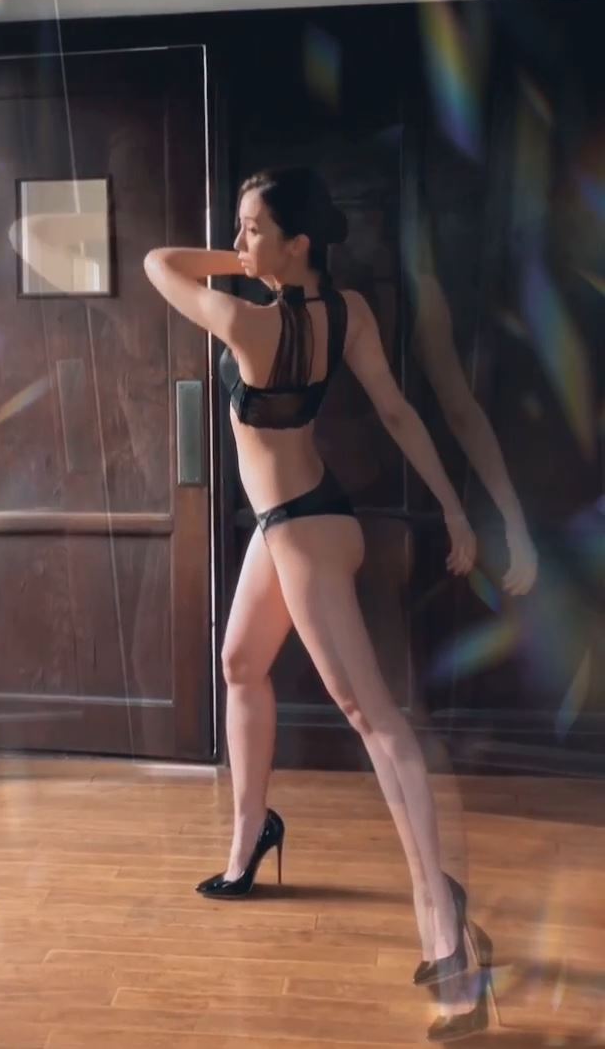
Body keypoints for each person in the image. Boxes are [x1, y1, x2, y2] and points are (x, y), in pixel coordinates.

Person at [144, 167, 487, 1039]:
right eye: (238, 228)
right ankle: (250, 837)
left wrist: (238, 265)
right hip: (299, 521)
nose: (239, 242)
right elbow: (397, 414)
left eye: (253, 229)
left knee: (377, 722)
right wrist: (451, 507)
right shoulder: (348, 313)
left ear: (297, 243)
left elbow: (157, 264)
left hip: (302, 537)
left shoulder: (247, 322)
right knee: (240, 663)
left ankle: (445, 931)